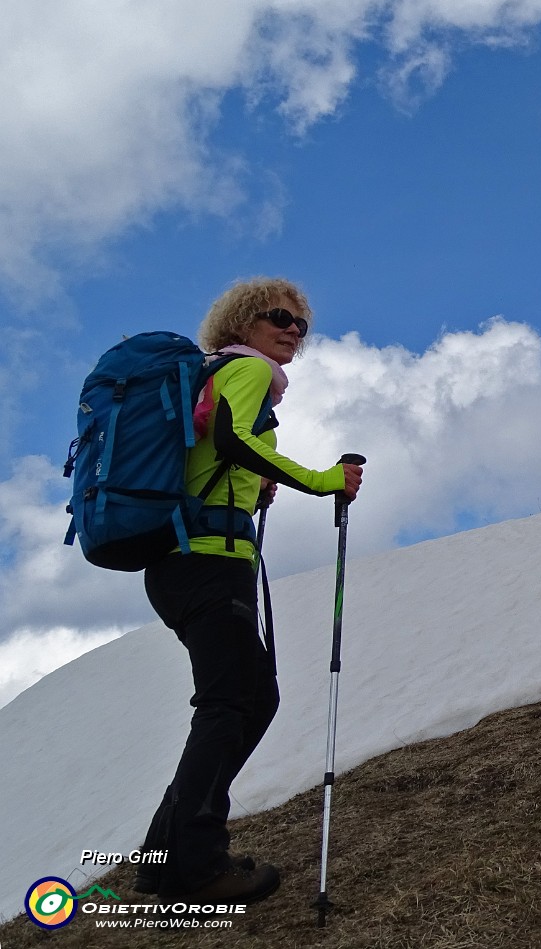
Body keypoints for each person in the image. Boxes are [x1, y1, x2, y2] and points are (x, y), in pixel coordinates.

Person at [135, 277, 365, 904]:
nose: (291, 330)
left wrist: (250, 485)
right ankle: (198, 867)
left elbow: (219, 451)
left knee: (247, 699)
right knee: (234, 702)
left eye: (300, 324)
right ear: (242, 324)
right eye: (277, 317)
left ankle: (163, 862)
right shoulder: (247, 370)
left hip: (185, 563)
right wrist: (321, 481)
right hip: (208, 561)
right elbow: (233, 439)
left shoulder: (215, 377)